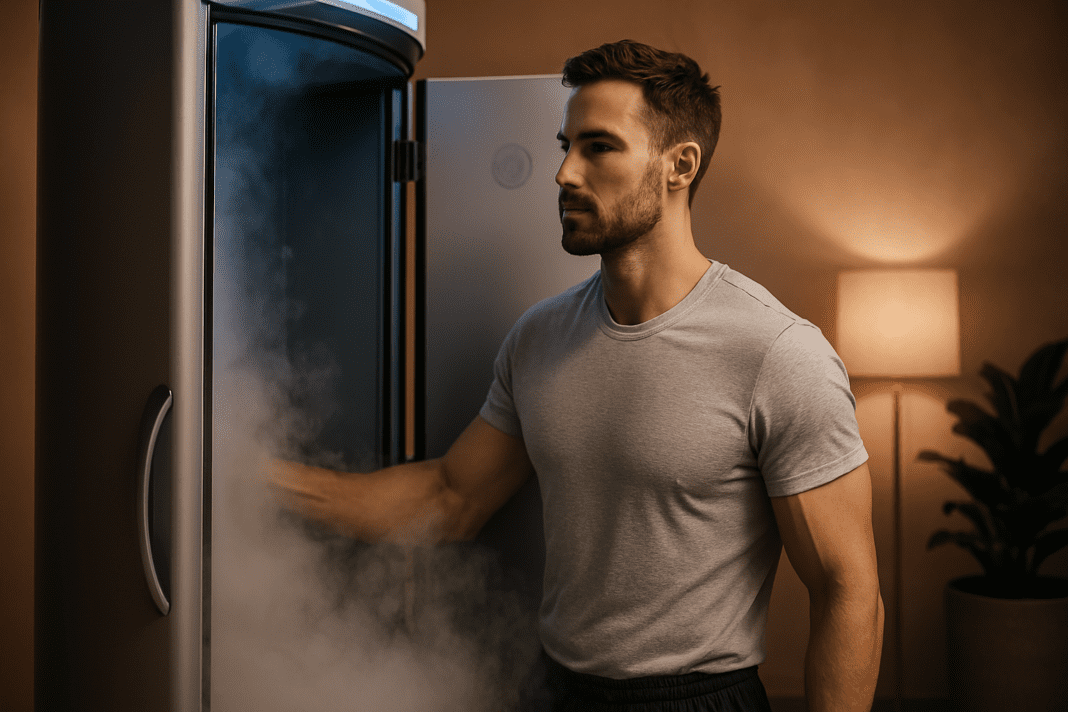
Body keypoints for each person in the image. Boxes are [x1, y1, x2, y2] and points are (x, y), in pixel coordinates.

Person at [275, 40, 884, 712]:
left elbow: (847, 588)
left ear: (680, 165)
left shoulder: (776, 352)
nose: (564, 173)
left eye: (599, 147)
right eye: (567, 144)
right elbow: (450, 498)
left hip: (698, 700)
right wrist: (260, 483)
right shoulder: (540, 336)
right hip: (558, 691)